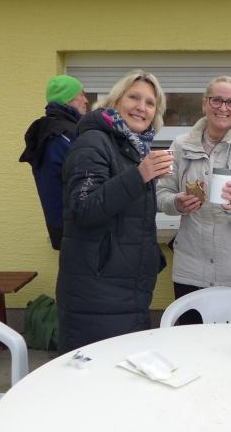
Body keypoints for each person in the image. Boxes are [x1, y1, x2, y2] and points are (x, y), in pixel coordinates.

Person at [55, 70, 172, 353]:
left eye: (150, 103)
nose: (141, 107)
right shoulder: (93, 142)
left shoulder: (132, 147)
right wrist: (139, 175)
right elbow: (84, 208)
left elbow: (128, 217)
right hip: (96, 295)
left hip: (127, 291)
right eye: (134, 98)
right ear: (116, 101)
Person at [157, 76, 231, 323]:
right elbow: (161, 195)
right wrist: (176, 203)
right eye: (217, 100)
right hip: (190, 270)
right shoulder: (180, 145)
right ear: (205, 103)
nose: (223, 108)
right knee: (191, 340)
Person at [19, 75, 88, 249]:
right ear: (68, 98)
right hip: (75, 229)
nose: (86, 100)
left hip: (65, 226)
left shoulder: (52, 130)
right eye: (81, 94)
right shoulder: (61, 135)